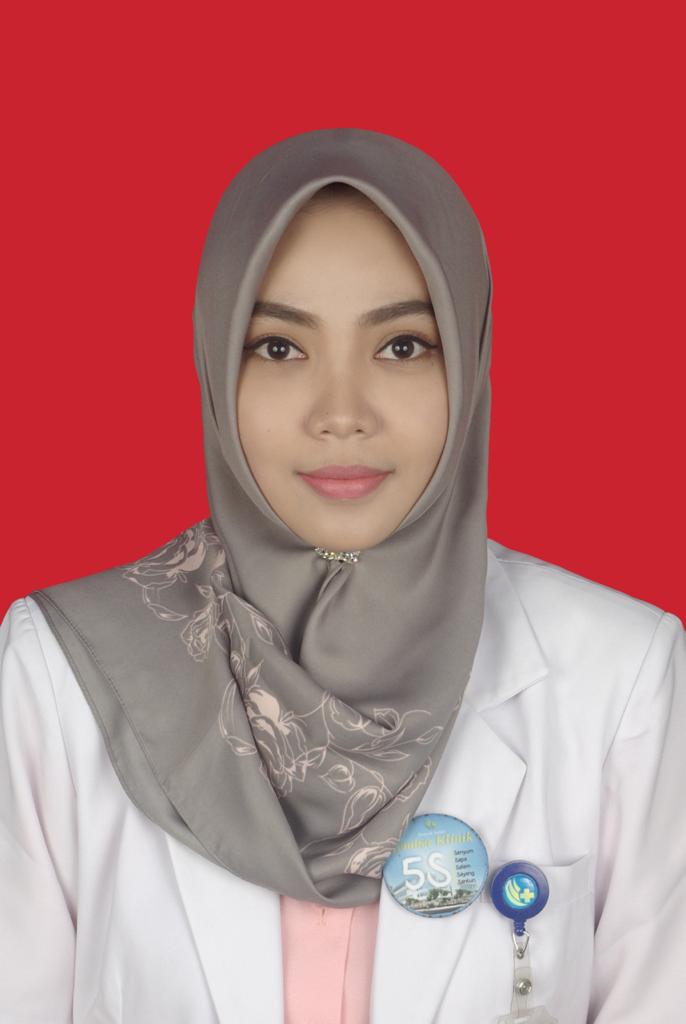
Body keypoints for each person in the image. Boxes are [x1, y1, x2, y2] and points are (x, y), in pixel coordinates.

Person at [0, 127, 684, 1024]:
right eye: (279, 348)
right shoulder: (64, 669)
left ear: (469, 359)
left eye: (402, 346)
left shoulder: (620, 677)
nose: (341, 413)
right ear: (216, 362)